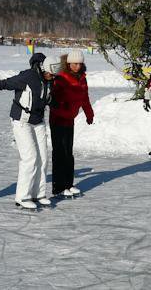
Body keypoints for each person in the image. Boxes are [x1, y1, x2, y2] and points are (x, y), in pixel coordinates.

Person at [0, 53, 62, 210]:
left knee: (43, 158)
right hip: (22, 121)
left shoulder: (51, 79)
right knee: (30, 158)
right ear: (44, 69)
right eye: (50, 74)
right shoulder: (28, 76)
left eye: (54, 75)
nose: (52, 77)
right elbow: (5, 83)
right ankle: (23, 197)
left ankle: (39, 194)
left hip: (38, 121)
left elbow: (46, 98)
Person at [49, 49, 94, 198]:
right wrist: (63, 106)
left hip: (70, 119)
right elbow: (53, 99)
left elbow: (84, 97)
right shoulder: (61, 77)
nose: (77, 67)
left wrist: (89, 114)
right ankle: (58, 187)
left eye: (80, 64)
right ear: (68, 63)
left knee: (69, 153)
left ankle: (68, 184)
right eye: (75, 64)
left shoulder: (82, 78)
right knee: (59, 153)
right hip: (57, 119)